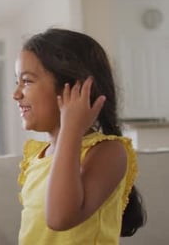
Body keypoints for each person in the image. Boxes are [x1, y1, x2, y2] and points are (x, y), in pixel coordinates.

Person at [13, 28, 146, 244]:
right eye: (16, 82)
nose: (16, 94)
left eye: (26, 81)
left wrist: (71, 129)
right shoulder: (38, 155)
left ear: (74, 87)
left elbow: (59, 218)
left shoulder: (108, 152)